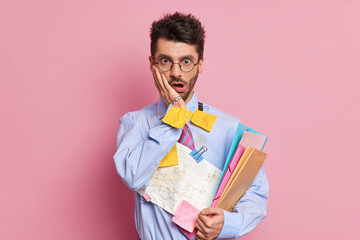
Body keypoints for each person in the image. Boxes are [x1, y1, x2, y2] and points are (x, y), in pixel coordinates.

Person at [113, 12, 269, 240]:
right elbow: (134, 177)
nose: (176, 73)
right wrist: (174, 118)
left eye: (186, 61)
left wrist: (229, 224)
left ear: (200, 64)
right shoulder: (135, 123)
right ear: (152, 64)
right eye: (165, 61)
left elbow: (255, 194)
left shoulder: (230, 128)